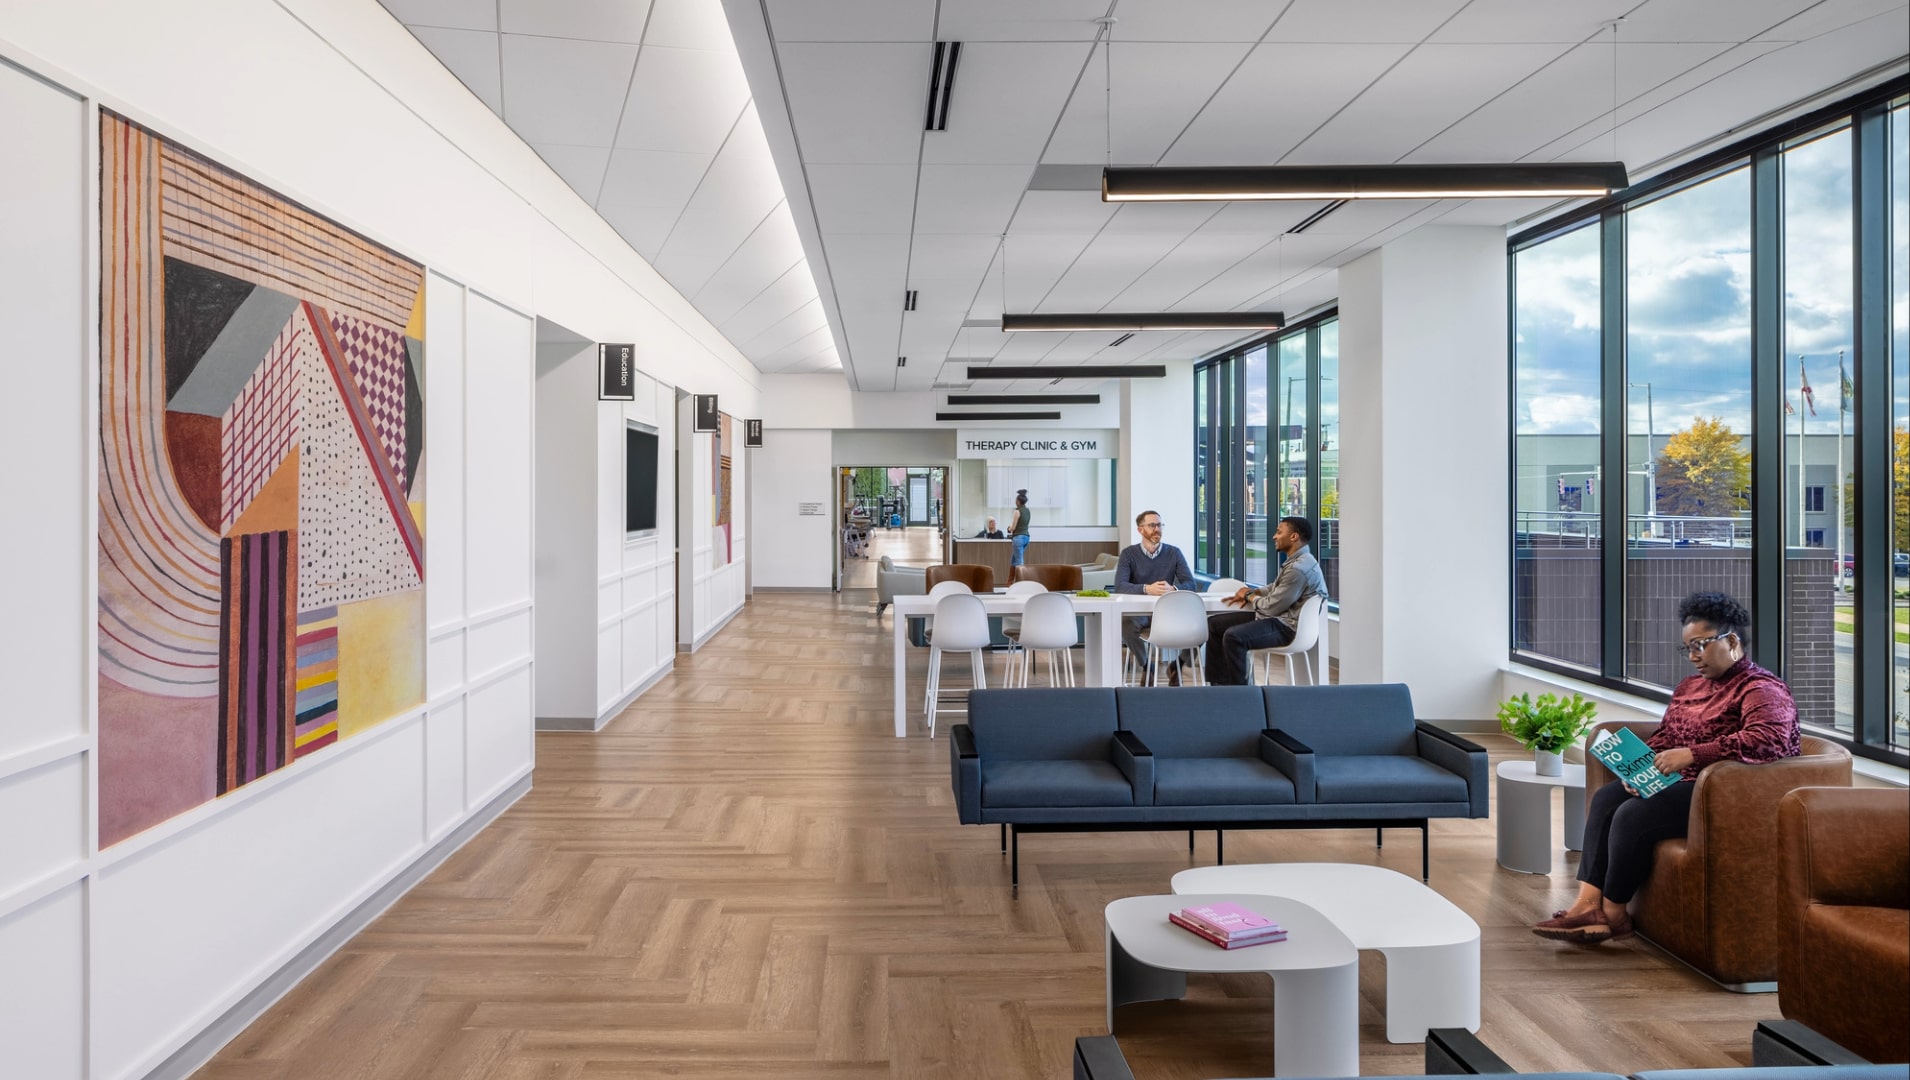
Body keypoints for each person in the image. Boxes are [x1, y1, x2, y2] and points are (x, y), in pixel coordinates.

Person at [1534, 591, 1799, 945]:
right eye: (1687, 648)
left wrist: (1693, 754)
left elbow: (1769, 739)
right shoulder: (1690, 687)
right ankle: (1587, 905)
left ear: (1732, 640)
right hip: (1679, 783)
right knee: (1608, 798)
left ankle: (1614, 913)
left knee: (1633, 814)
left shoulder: (1761, 688)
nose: (1693, 657)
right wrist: (1638, 770)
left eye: (1701, 645)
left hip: (1726, 792)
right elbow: (1666, 737)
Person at [1204, 517, 1328, 686]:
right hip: (1278, 619)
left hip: (1286, 626)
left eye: (1279, 532)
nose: (1274, 537)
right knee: (1214, 624)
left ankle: (1239, 693)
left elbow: (1270, 608)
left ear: (1294, 537)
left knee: (1234, 637)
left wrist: (1249, 596)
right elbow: (1276, 587)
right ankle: (1218, 685)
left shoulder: (1298, 569)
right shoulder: (1300, 561)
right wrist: (1254, 592)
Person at [1114, 510, 1195, 681]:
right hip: (1140, 613)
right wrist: (1146, 589)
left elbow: (1191, 584)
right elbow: (1120, 586)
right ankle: (1146, 665)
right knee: (1126, 625)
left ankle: (1178, 664)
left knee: (1201, 624)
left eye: (1159, 525)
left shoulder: (1174, 553)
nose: (1157, 529)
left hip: (1169, 612)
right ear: (1140, 530)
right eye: (1152, 525)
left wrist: (1173, 588)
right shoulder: (1128, 554)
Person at [1009, 489, 1032, 567]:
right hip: (1026, 537)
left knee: (1019, 562)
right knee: (1013, 561)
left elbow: (1013, 527)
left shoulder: (1017, 511)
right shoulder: (1027, 511)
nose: (1015, 502)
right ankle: (1011, 579)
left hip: (1018, 538)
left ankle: (1022, 579)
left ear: (1018, 501)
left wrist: (1009, 528)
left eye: (1016, 500)